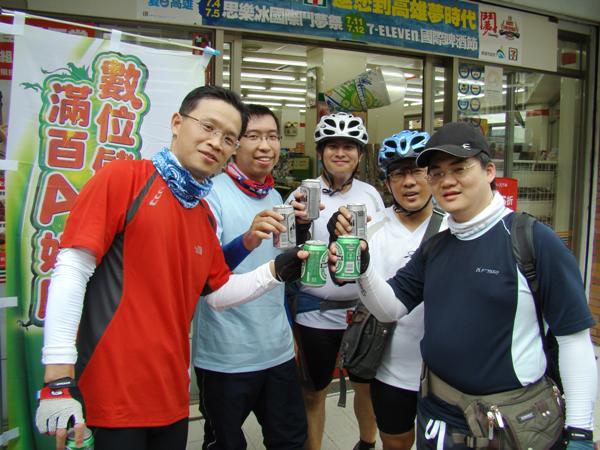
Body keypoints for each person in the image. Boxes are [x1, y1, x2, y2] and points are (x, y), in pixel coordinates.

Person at [34, 86, 307, 450]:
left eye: (228, 138)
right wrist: (57, 378)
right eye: (207, 127)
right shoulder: (125, 178)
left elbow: (217, 293)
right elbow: (71, 269)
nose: (216, 142)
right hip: (110, 397)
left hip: (171, 397)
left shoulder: (200, 212)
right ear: (177, 123)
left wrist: (278, 269)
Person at [331, 121, 597, 450]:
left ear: (489, 171)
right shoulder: (435, 247)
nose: (447, 181)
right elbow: (390, 308)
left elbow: (574, 339)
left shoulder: (532, 240)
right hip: (438, 416)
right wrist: (363, 267)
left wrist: (581, 431)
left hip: (510, 421)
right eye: (437, 173)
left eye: (459, 168)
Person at [192, 104, 307, 450]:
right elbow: (204, 278)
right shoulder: (208, 194)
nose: (265, 146)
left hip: (277, 350)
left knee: (290, 441)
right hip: (225, 356)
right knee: (225, 444)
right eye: (253, 136)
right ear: (233, 144)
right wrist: (246, 239)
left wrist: (290, 330)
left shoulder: (275, 196)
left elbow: (277, 272)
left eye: (272, 136)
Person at [332, 130, 447, 450]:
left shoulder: (454, 226)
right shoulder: (372, 229)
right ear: (387, 182)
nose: (408, 182)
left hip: (445, 371)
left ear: (432, 175)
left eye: (417, 171)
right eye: (398, 174)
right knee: (396, 442)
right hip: (391, 368)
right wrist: (338, 259)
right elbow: (346, 276)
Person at [287, 111, 385, 450]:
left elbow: (382, 250)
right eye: (332, 146)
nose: (340, 153)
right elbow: (284, 254)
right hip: (315, 312)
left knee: (366, 387)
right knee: (313, 392)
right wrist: (299, 228)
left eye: (349, 146)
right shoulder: (301, 195)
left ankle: (366, 444)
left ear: (359, 154)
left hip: (363, 313)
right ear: (320, 152)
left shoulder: (371, 195)